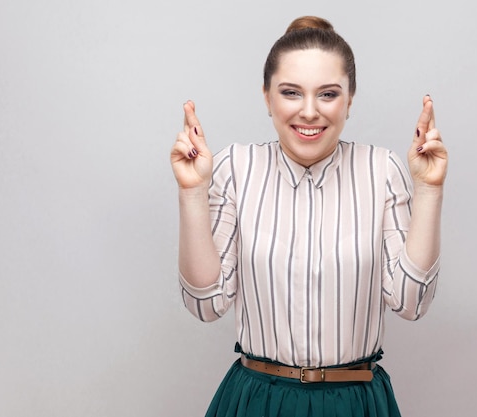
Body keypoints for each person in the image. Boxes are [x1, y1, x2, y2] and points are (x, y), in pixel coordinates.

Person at [171, 15, 448, 417]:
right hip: (258, 401)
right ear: (267, 97)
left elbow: (411, 302)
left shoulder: (381, 169)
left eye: (328, 94)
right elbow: (205, 304)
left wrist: (429, 189)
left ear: (350, 99)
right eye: (290, 92)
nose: (309, 112)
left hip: (353, 402)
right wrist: (192, 192)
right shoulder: (236, 167)